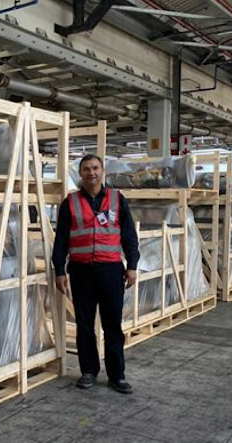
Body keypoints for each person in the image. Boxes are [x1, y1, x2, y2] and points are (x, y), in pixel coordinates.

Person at [52, 154, 139, 394]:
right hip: (81, 272)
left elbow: (129, 236)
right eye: (87, 169)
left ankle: (116, 375)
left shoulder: (116, 199)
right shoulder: (70, 202)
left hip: (111, 271)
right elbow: (60, 240)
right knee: (84, 324)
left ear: (103, 171)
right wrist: (59, 271)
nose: (92, 173)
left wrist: (132, 265)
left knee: (113, 325)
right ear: (80, 174)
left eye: (96, 168)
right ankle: (88, 371)